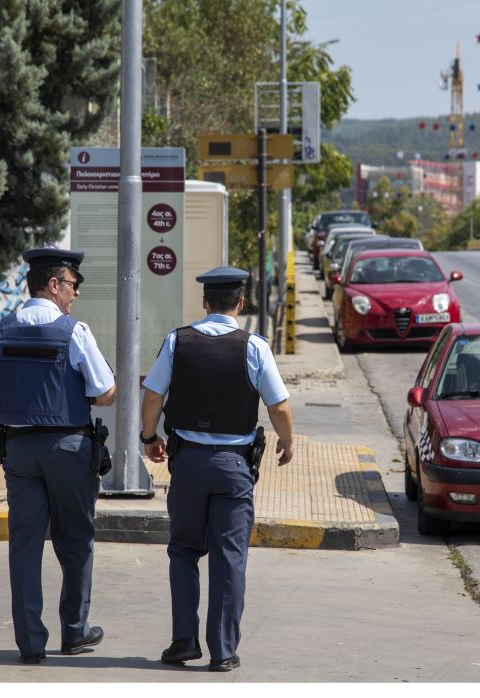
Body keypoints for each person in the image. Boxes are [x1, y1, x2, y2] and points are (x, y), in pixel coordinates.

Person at [140, 266, 294, 673]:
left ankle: (183, 641)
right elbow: (278, 406)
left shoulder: (178, 341)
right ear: (240, 303)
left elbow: (153, 396)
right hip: (234, 467)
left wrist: (149, 438)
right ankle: (223, 651)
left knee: (183, 550)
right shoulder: (254, 347)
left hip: (188, 464)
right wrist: (288, 441)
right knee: (229, 557)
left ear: (205, 302)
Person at [0, 248, 116, 665]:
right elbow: (106, 392)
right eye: (73, 284)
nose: (76, 293)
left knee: (25, 545)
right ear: (54, 285)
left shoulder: (0, 329)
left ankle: (31, 643)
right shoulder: (74, 331)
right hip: (68, 447)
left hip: (18, 450)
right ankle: (75, 632)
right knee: (76, 538)